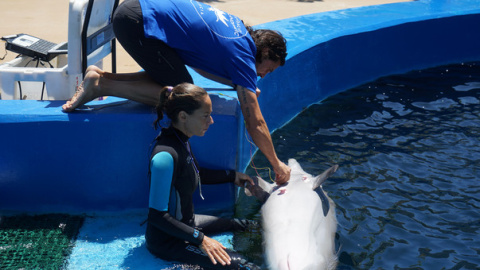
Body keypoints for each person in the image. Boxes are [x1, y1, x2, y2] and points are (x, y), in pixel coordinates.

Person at [62, 0, 291, 184]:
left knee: (179, 82)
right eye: (268, 69)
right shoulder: (243, 55)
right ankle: (102, 86)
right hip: (138, 21)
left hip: (137, 12)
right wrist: (276, 163)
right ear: (266, 51)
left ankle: (102, 78)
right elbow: (256, 123)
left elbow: (200, 63)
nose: (262, 75)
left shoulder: (238, 31)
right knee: (186, 100)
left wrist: (239, 85)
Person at [147, 83, 260, 269]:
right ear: (183, 116)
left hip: (188, 223)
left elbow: (194, 173)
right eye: (206, 115)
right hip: (168, 240)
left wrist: (232, 176)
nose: (212, 121)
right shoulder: (164, 157)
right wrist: (202, 240)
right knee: (245, 266)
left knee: (248, 225)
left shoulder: (182, 141)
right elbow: (157, 217)